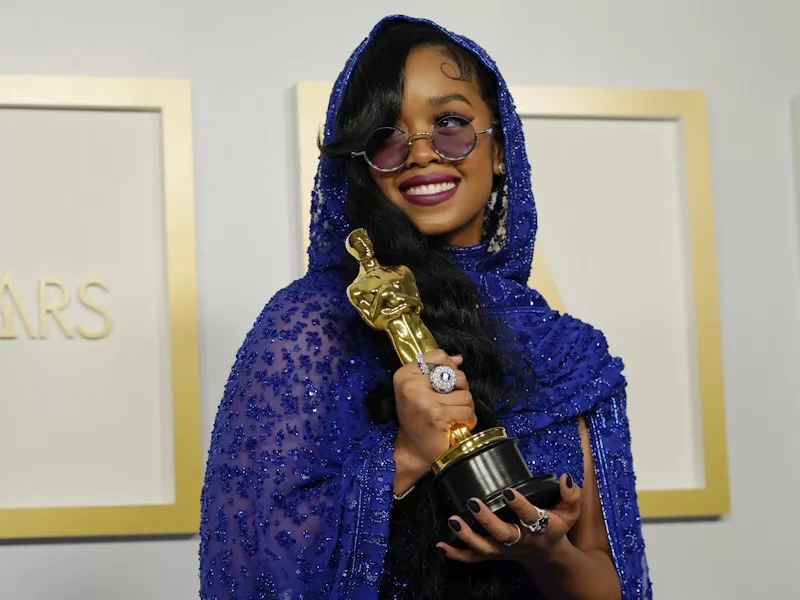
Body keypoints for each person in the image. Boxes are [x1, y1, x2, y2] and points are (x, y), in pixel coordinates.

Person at [198, 14, 651, 600]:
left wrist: (548, 553)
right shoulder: (313, 325)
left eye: (450, 124)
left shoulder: (571, 355)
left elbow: (613, 583)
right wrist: (406, 455)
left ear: (500, 147)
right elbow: (251, 562)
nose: (421, 154)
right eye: (387, 137)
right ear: (363, 166)